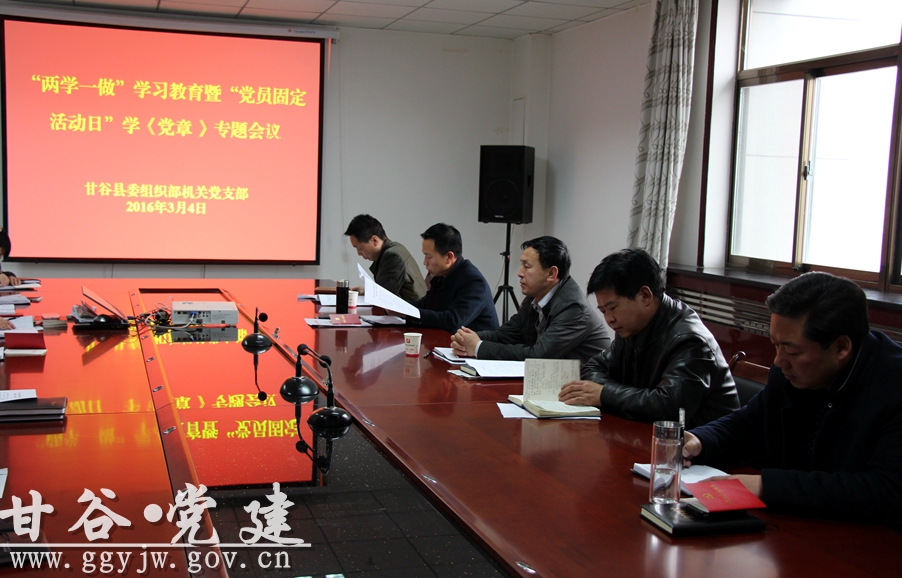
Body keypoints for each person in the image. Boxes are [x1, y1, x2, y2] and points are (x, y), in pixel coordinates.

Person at [683, 272, 902, 527]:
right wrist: (701, 440)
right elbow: (750, 422)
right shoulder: (789, 372)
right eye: (775, 345)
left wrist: (765, 485)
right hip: (794, 526)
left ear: (841, 347)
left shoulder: (893, 386)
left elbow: (887, 491)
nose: (778, 361)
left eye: (792, 351)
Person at [559, 249, 739, 427]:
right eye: (603, 311)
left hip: (700, 442)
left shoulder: (690, 340)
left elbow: (670, 408)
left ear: (645, 296)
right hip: (645, 433)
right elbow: (593, 367)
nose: (609, 319)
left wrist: (604, 394)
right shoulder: (631, 327)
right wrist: (608, 393)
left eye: (612, 308)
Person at [449, 236, 609, 363]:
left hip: (585, 385)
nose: (519, 273)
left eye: (527, 266)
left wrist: (478, 347)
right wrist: (467, 338)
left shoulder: (573, 308)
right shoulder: (534, 297)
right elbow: (506, 334)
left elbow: (539, 356)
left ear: (551, 274)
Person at [408, 223, 498, 335]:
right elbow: (425, 305)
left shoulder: (473, 282)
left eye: (429, 256)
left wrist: (408, 314)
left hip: (474, 344)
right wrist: (398, 308)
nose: (425, 262)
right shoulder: (442, 275)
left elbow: (453, 321)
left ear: (449, 257)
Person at [344, 214, 426, 303]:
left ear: (375, 240)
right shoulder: (396, 248)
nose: (359, 253)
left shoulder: (392, 256)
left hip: (412, 311)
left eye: (360, 248)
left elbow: (384, 298)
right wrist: (367, 291)